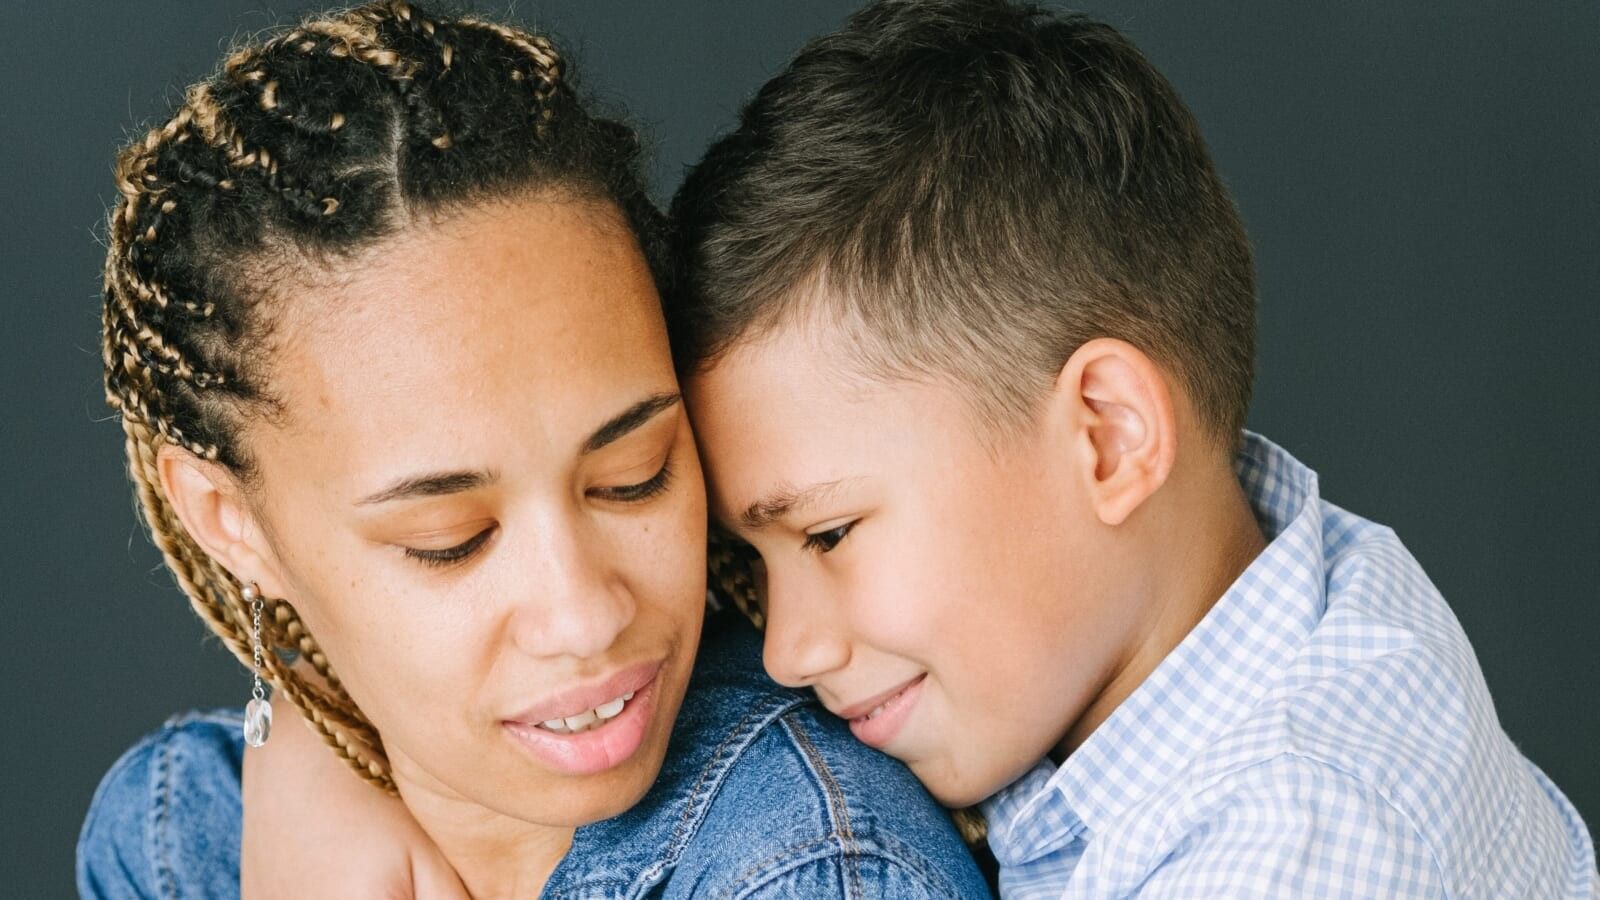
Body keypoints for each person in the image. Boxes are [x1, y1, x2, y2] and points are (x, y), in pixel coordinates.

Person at [671, 0, 1597, 896]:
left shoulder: (1291, 848)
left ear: (1109, 438)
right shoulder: (1274, 606)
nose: (786, 651)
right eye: (754, 561)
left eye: (828, 534)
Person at [75, 3, 989, 897]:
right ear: (230, 524)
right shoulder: (171, 841)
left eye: (635, 478)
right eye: (450, 537)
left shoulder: (810, 867)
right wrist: (301, 730)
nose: (584, 616)